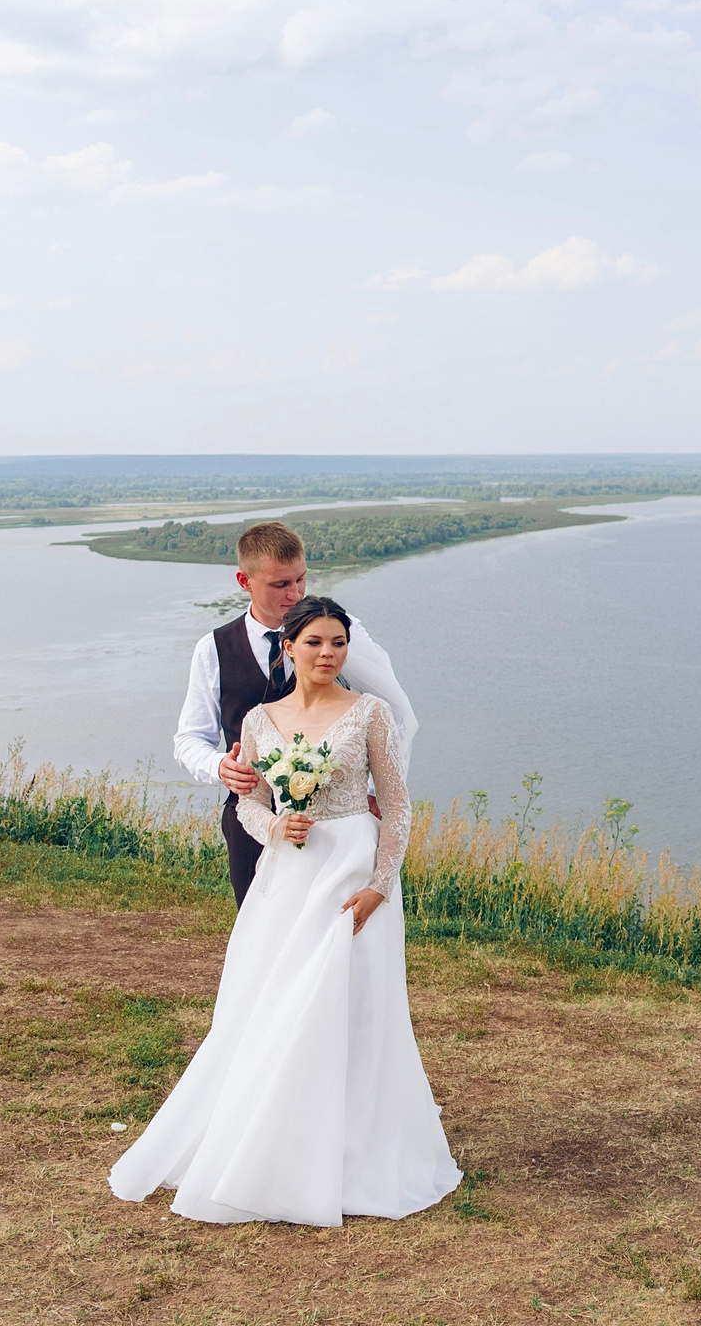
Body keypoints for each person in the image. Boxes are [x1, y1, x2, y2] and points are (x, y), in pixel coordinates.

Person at [111, 594, 461, 1224]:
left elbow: (399, 806)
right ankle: (272, 1141)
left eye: (339, 644)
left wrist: (381, 884)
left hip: (353, 868)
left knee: (350, 1002)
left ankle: (354, 1151)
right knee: (274, 1001)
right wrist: (275, 828)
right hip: (288, 873)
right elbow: (248, 804)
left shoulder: (371, 714)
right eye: (316, 643)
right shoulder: (258, 721)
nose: (329, 654)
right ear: (289, 648)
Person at [172, 522, 416, 905]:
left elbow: (394, 714)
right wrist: (219, 765)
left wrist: (372, 791)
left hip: (332, 828)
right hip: (251, 820)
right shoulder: (213, 649)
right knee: (263, 932)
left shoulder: (341, 631)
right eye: (280, 584)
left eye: (300, 579)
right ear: (244, 580)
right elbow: (189, 738)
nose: (296, 593)